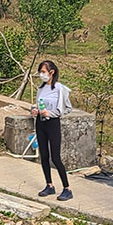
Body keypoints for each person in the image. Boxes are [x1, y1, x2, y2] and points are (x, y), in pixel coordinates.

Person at [32, 60, 73, 201]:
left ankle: (67, 188)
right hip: (40, 123)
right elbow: (36, 103)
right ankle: (49, 185)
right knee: (43, 155)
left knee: (55, 157)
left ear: (52, 72)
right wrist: (35, 110)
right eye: (40, 72)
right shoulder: (41, 88)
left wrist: (51, 113)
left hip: (53, 123)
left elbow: (67, 108)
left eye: (44, 72)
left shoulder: (60, 89)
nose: (42, 75)